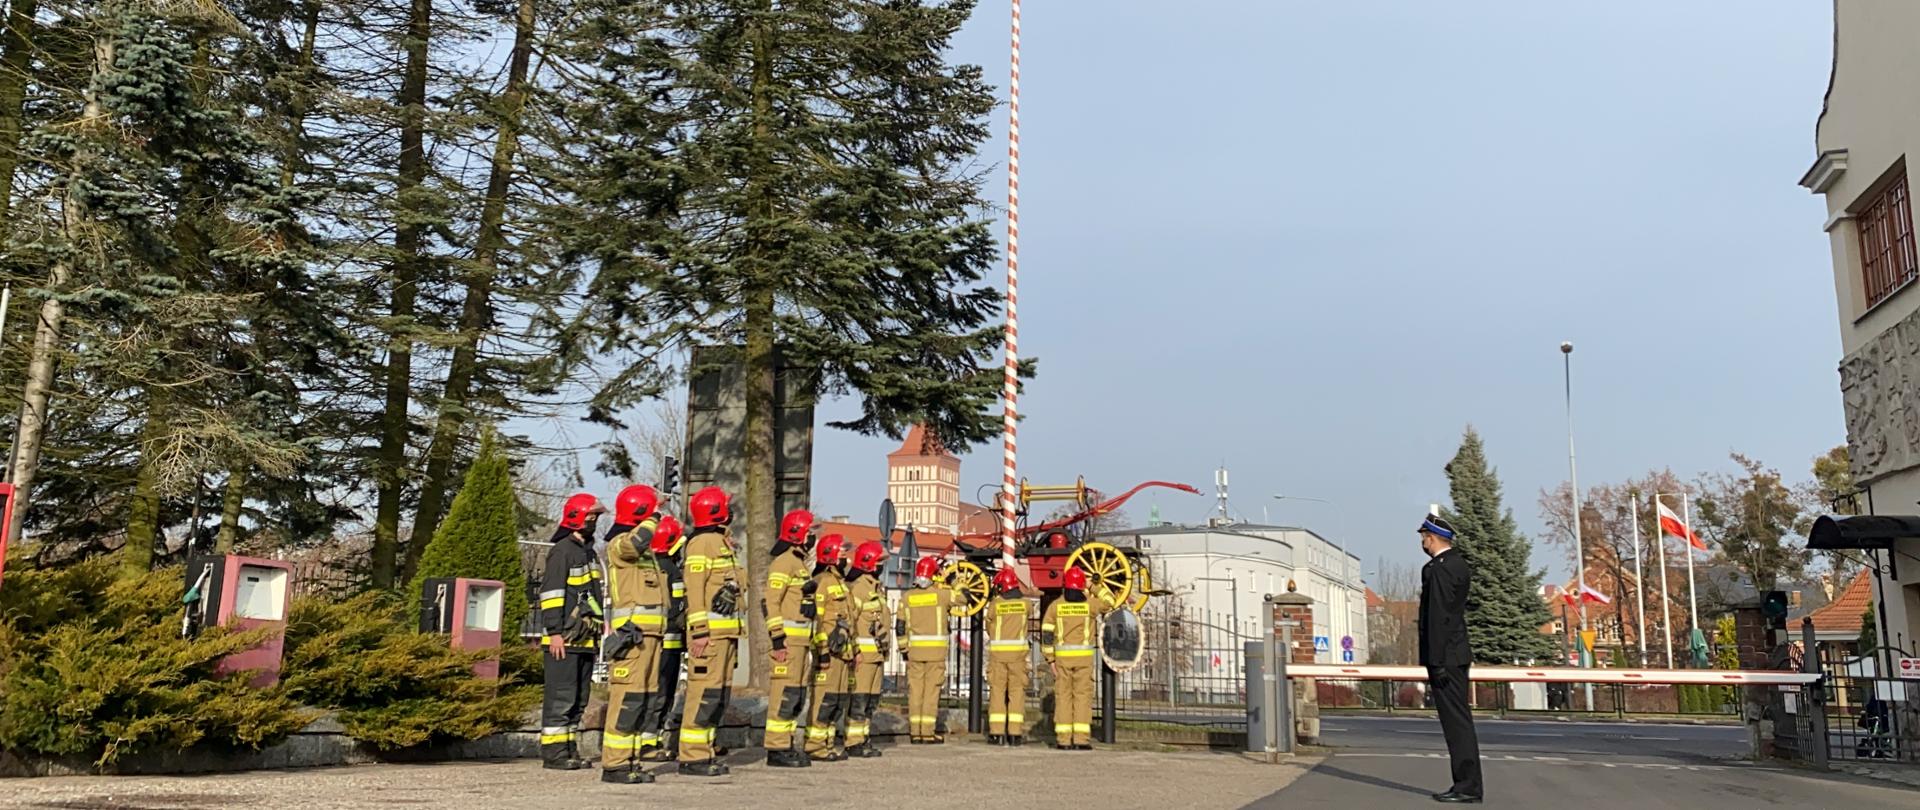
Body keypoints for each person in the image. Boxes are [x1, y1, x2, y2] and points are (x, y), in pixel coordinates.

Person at [599, 485, 665, 784]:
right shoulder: (619, 544)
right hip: (632, 637)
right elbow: (634, 543)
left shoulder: (646, 553)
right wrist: (654, 516)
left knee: (643, 700)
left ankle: (631, 759)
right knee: (627, 700)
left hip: (651, 637)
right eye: (648, 514)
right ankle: (614, 764)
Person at [676, 487, 741, 777]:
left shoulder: (720, 543)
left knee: (717, 696)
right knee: (703, 695)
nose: (731, 511)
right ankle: (692, 756)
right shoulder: (702, 544)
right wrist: (699, 632)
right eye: (727, 507)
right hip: (710, 637)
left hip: (725, 636)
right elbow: (695, 590)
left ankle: (707, 749)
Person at [538, 493, 606, 770]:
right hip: (563, 639)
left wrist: (603, 622)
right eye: (590, 517)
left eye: (596, 518)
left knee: (579, 698)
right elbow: (551, 595)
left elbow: (590, 595)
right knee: (561, 697)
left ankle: (569, 750)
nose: (594, 522)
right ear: (576, 518)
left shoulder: (588, 552)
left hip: (585, 638)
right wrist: (555, 632)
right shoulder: (562, 551)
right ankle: (554, 755)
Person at [1419, 514, 1482, 804]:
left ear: (1431, 538)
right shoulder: (1451, 565)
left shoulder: (1442, 569)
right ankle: (1465, 783)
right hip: (1453, 653)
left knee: (1456, 723)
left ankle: (1467, 785)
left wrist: (1437, 659)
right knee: (1457, 721)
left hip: (1447, 655)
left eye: (1424, 537)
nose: (1422, 542)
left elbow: (1440, 617)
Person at [760, 509, 817, 767]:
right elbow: (771, 602)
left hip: (801, 643)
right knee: (783, 694)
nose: (812, 537)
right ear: (797, 534)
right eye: (809, 532)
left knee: (794, 695)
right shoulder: (784, 562)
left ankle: (787, 742)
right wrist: (777, 640)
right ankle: (776, 747)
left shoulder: (799, 564)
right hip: (788, 644)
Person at [803, 534, 855, 762]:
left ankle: (828, 743)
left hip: (843, 653)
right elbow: (818, 621)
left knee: (836, 700)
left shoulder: (839, 583)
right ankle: (815, 745)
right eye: (844, 555)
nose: (848, 560)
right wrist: (822, 650)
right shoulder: (823, 582)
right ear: (831, 557)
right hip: (829, 654)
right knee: (824, 700)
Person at [640, 513, 685, 761]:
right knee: (661, 693)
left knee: (658, 692)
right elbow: (677, 607)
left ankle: (652, 740)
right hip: (668, 643)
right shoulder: (670, 571)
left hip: (663, 641)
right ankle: (649, 742)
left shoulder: (652, 567)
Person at [843, 540, 892, 758]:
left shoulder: (874, 587)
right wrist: (855, 651)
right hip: (863, 656)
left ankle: (863, 737)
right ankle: (853, 741)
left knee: (870, 701)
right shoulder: (858, 589)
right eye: (879, 562)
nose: (882, 566)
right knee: (859, 699)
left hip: (876, 654)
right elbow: (850, 622)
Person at [900, 555, 957, 744]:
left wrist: (903, 650)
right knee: (931, 692)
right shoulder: (941, 595)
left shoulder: (907, 597)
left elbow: (900, 626)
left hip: (914, 653)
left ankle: (915, 733)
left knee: (915, 692)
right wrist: (952, 579)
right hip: (936, 654)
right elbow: (965, 597)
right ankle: (927, 733)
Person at [1041, 566, 1097, 750]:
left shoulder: (1055, 606)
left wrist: (1050, 659)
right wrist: (1094, 585)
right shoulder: (1090, 604)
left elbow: (1047, 634)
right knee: (1082, 698)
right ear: (1082, 585)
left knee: (1063, 698)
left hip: (1063, 661)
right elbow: (1111, 601)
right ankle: (1081, 740)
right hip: (1084, 661)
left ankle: (1063, 740)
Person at [985, 566, 1033, 746]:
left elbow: (988, 625)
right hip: (1018, 657)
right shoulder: (1026, 604)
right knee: (1017, 694)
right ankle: (1015, 734)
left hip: (998, 656)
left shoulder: (995, 605)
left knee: (997, 693)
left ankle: (997, 734)